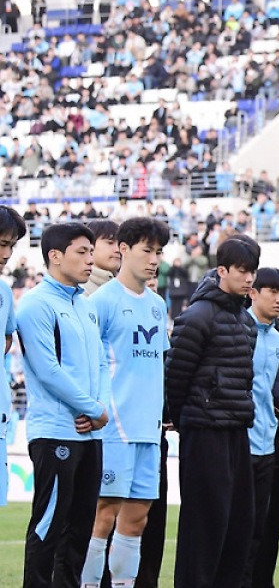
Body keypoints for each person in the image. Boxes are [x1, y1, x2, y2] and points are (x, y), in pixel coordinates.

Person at [165, 236, 260, 588]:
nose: (249, 278)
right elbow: (176, 377)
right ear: (222, 270)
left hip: (237, 430)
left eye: (253, 271)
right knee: (203, 528)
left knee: (238, 526)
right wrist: (188, 418)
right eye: (242, 271)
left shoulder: (245, 321)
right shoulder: (197, 316)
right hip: (204, 432)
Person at [82, 218, 170, 588]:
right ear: (124, 249)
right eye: (147, 250)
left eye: (159, 252)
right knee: (102, 517)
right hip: (113, 428)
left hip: (149, 429)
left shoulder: (156, 305)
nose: (154, 259)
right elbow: (86, 362)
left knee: (138, 520)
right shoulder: (100, 302)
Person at [17, 223, 106, 588]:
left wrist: (98, 408)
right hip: (55, 432)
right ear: (55, 256)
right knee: (48, 526)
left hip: (90, 434)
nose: (90, 259)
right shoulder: (36, 305)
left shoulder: (85, 306)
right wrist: (90, 408)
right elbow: (47, 369)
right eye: (82, 251)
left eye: (91, 251)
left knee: (80, 530)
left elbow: (101, 363)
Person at [243, 268, 279, 588]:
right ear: (253, 292)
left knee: (268, 526)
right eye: (271, 291)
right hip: (238, 443)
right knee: (239, 527)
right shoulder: (236, 330)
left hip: (273, 445)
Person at [0, 207, 24, 513]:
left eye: (10, 245)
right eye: (0, 243)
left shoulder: (5, 293)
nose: (5, 253)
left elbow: (7, 339)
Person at [83, 220, 121, 296]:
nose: (118, 250)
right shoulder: (79, 291)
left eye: (120, 244)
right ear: (90, 246)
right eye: (110, 243)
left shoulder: (127, 287)